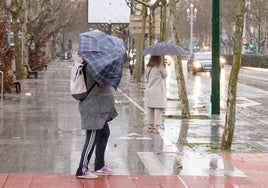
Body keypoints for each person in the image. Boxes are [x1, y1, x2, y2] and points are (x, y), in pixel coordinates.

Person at [75, 60, 118, 179]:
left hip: (99, 108)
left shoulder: (95, 64)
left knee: (104, 133)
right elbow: (104, 80)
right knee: (91, 138)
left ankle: (99, 164)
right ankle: (82, 170)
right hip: (93, 108)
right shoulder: (93, 66)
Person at [144, 55, 168, 130]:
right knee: (158, 107)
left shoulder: (148, 66)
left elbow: (146, 76)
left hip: (150, 88)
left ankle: (150, 124)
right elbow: (165, 75)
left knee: (150, 107)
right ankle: (157, 125)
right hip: (158, 89)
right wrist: (164, 67)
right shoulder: (159, 66)